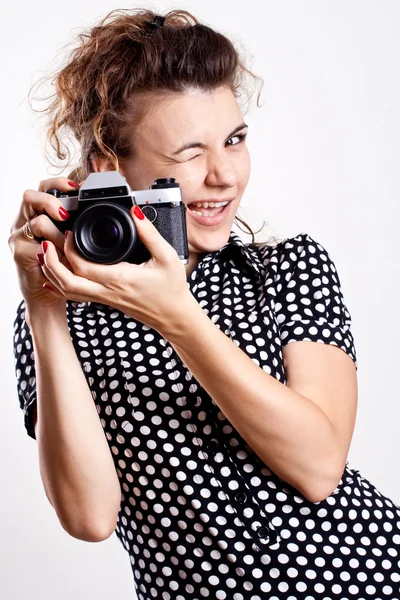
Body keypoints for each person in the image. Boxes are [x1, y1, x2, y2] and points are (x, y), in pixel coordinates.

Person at [9, 8, 400, 600]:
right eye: (190, 153)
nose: (224, 175)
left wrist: (177, 315)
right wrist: (43, 308)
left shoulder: (287, 266)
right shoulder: (60, 315)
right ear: (109, 168)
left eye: (235, 141)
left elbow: (320, 467)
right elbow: (90, 517)